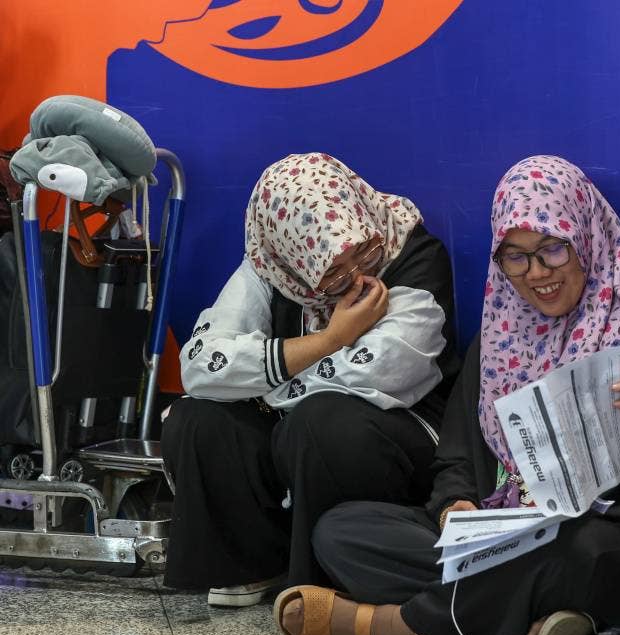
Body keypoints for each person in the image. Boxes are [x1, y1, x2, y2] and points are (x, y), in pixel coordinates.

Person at [270, 155, 620, 635]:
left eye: (552, 250)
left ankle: (395, 625)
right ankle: (553, 618)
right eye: (515, 257)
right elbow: (456, 457)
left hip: (604, 529)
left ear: (584, 236)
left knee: (577, 549)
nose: (536, 274)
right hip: (503, 527)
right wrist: (456, 506)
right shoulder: (499, 336)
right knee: (343, 530)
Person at [161, 152, 460, 605]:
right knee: (199, 415)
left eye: (363, 251)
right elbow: (200, 365)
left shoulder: (411, 253)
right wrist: (330, 339)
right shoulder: (272, 266)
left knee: (322, 420)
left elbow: (379, 369)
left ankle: (325, 580)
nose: (359, 278)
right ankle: (251, 563)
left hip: (402, 428)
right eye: (334, 276)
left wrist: (261, 384)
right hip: (296, 418)